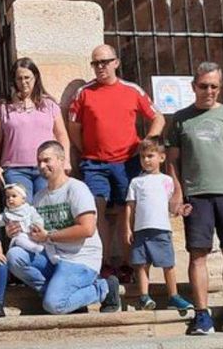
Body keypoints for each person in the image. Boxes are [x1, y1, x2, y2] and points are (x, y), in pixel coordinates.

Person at [166, 62, 223, 336]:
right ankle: (202, 314)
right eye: (203, 86)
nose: (209, 91)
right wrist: (178, 194)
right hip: (197, 195)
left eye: (214, 86)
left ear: (220, 88)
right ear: (194, 87)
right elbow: (172, 162)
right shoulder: (180, 119)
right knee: (198, 254)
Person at [67, 44, 164, 277]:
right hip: (94, 164)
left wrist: (147, 145)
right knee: (96, 210)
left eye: (104, 62)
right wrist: (87, 151)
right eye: (95, 63)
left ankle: (127, 263)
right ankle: (103, 263)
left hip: (127, 162)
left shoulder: (132, 90)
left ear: (116, 63)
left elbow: (158, 118)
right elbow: (73, 127)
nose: (100, 67)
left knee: (125, 211)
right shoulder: (84, 93)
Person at [7, 140, 121, 315]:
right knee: (15, 255)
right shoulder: (39, 197)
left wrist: (49, 236)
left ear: (61, 160)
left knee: (54, 306)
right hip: (54, 257)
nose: (42, 165)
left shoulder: (77, 189)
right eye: (39, 161)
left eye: (47, 160)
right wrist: (17, 232)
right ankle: (70, 298)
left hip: (80, 260)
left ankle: (103, 288)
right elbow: (36, 232)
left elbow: (87, 229)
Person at [126, 136, 193, 313]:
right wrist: (128, 228)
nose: (146, 160)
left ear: (161, 158)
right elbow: (130, 207)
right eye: (142, 157)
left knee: (168, 263)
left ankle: (173, 295)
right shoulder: (136, 182)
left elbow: (171, 205)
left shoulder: (167, 181)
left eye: (150, 156)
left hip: (162, 228)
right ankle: (144, 296)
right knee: (141, 263)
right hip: (141, 229)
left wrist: (180, 210)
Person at [0, 57, 70, 198]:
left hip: (46, 166)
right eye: (19, 78)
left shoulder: (49, 105)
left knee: (45, 211)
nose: (23, 82)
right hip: (15, 170)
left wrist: (66, 160)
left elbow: (62, 135)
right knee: (22, 213)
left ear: (35, 78)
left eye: (27, 77)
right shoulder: (3, 108)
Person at [0, 182, 45, 256]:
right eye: (7, 197)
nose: (10, 199)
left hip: (32, 235)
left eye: (14, 196)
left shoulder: (30, 210)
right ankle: (33, 248)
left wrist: (37, 225)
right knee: (19, 239)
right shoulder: (8, 214)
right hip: (20, 238)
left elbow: (38, 219)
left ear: (23, 199)